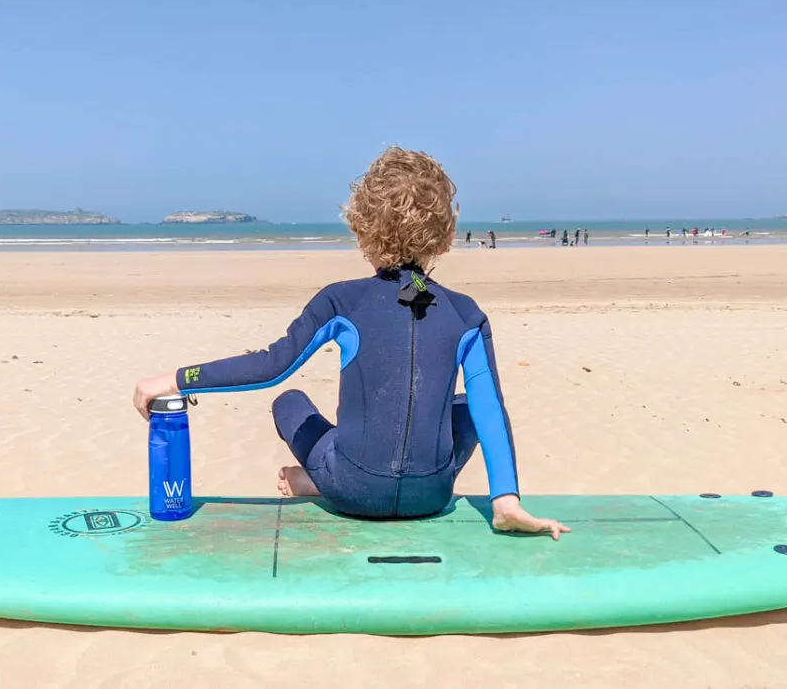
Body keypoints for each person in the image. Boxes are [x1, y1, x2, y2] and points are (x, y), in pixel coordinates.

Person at [133, 147, 569, 540]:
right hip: (431, 494)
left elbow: (271, 366)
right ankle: (325, 480)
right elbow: (489, 410)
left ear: (360, 228)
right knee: (470, 403)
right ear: (448, 235)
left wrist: (176, 379)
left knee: (289, 400)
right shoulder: (466, 313)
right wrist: (506, 501)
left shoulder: (342, 300)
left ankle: (318, 480)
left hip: (354, 489)